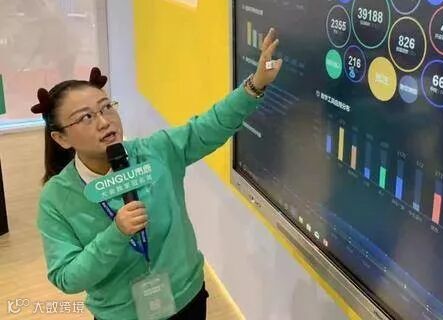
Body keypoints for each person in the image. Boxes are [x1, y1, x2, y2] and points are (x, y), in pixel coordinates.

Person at [35, 29, 282, 320]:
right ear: (61, 138)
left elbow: (208, 127)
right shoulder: (56, 198)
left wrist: (255, 85)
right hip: (122, 315)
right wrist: (115, 234)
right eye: (86, 117)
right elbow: (67, 277)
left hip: (186, 298)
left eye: (107, 107)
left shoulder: (155, 152)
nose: (104, 122)